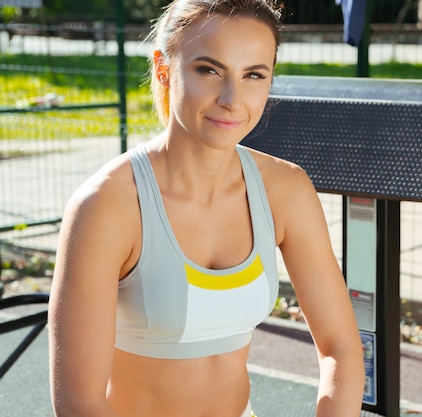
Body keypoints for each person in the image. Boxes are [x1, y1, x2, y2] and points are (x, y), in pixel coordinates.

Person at [48, 1, 365, 416]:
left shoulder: (285, 189)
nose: (233, 99)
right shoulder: (107, 205)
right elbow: (79, 403)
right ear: (164, 69)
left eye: (254, 75)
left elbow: (341, 346)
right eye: (209, 70)